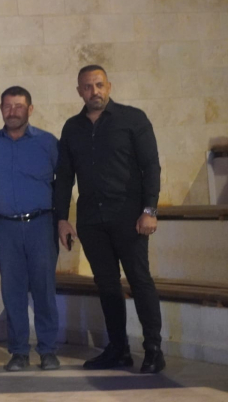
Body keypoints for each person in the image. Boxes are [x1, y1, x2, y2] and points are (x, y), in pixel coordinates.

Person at [56, 65, 165, 374]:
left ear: (109, 86)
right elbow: (64, 177)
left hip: (129, 218)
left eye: (99, 85)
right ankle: (118, 349)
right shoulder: (72, 128)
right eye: (88, 87)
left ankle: (153, 349)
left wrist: (150, 210)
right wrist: (62, 219)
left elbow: (151, 166)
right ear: (79, 91)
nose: (95, 91)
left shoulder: (133, 119)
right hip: (91, 220)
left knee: (140, 280)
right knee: (106, 285)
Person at [0, 86, 60, 372]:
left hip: (41, 225)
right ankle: (18, 352)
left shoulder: (48, 143)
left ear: (30, 109)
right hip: (6, 228)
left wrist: (63, 220)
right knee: (12, 292)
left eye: (18, 106)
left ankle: (48, 350)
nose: (12, 111)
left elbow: (62, 183)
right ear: (1, 109)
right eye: (7, 106)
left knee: (44, 289)